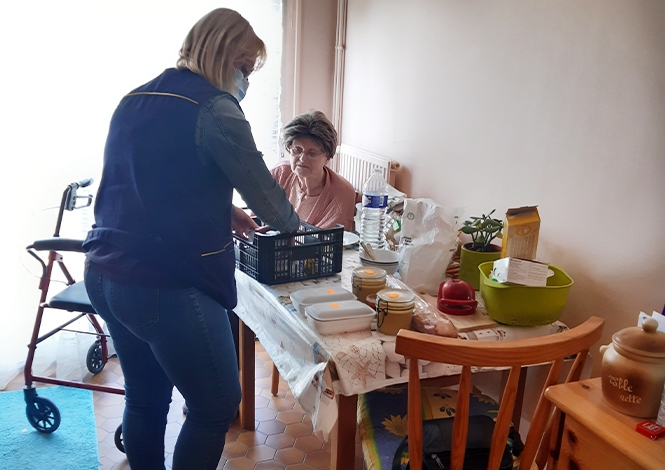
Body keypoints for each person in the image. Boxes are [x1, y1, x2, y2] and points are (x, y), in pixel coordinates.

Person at [82, 8, 300, 470]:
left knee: (146, 396)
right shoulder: (215, 108)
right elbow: (271, 202)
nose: (246, 80)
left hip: (104, 272)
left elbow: (148, 187)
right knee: (216, 404)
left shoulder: (136, 99)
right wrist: (300, 229)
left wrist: (223, 209)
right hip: (164, 283)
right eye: (244, 67)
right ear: (224, 56)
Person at [271, 110, 356, 231]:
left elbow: (329, 242)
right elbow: (255, 217)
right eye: (297, 150)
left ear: (327, 157)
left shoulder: (341, 194)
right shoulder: (279, 174)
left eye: (312, 153)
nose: (302, 158)